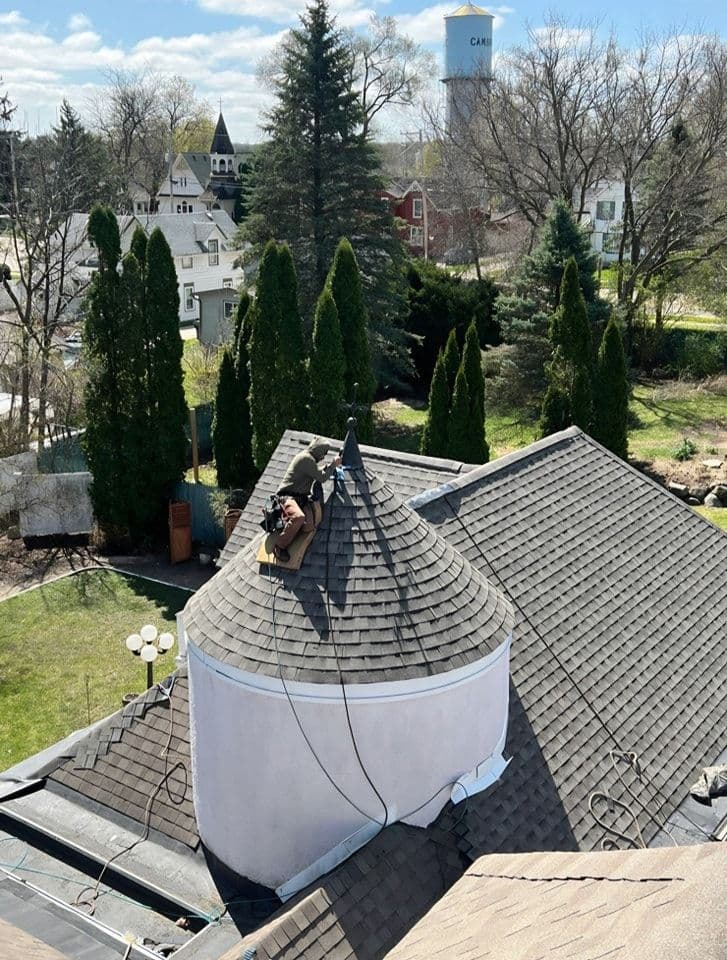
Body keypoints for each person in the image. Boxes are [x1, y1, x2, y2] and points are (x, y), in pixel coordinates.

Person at [273, 439, 341, 561]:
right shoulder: (306, 459)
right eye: (323, 453)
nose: (323, 456)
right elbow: (321, 477)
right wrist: (333, 466)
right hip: (286, 497)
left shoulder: (308, 459)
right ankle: (279, 546)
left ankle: (290, 529)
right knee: (298, 517)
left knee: (309, 526)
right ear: (318, 451)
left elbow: (316, 470)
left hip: (300, 499)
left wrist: (328, 466)